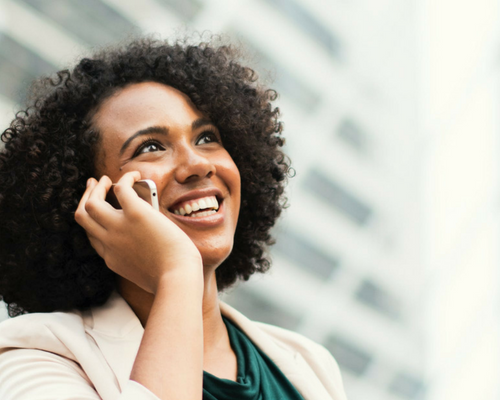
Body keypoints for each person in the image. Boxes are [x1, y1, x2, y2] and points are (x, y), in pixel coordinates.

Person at [0, 37, 347, 400]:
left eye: (207, 137)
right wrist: (178, 272)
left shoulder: (309, 363)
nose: (198, 164)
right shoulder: (32, 360)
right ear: (93, 200)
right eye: (150, 147)